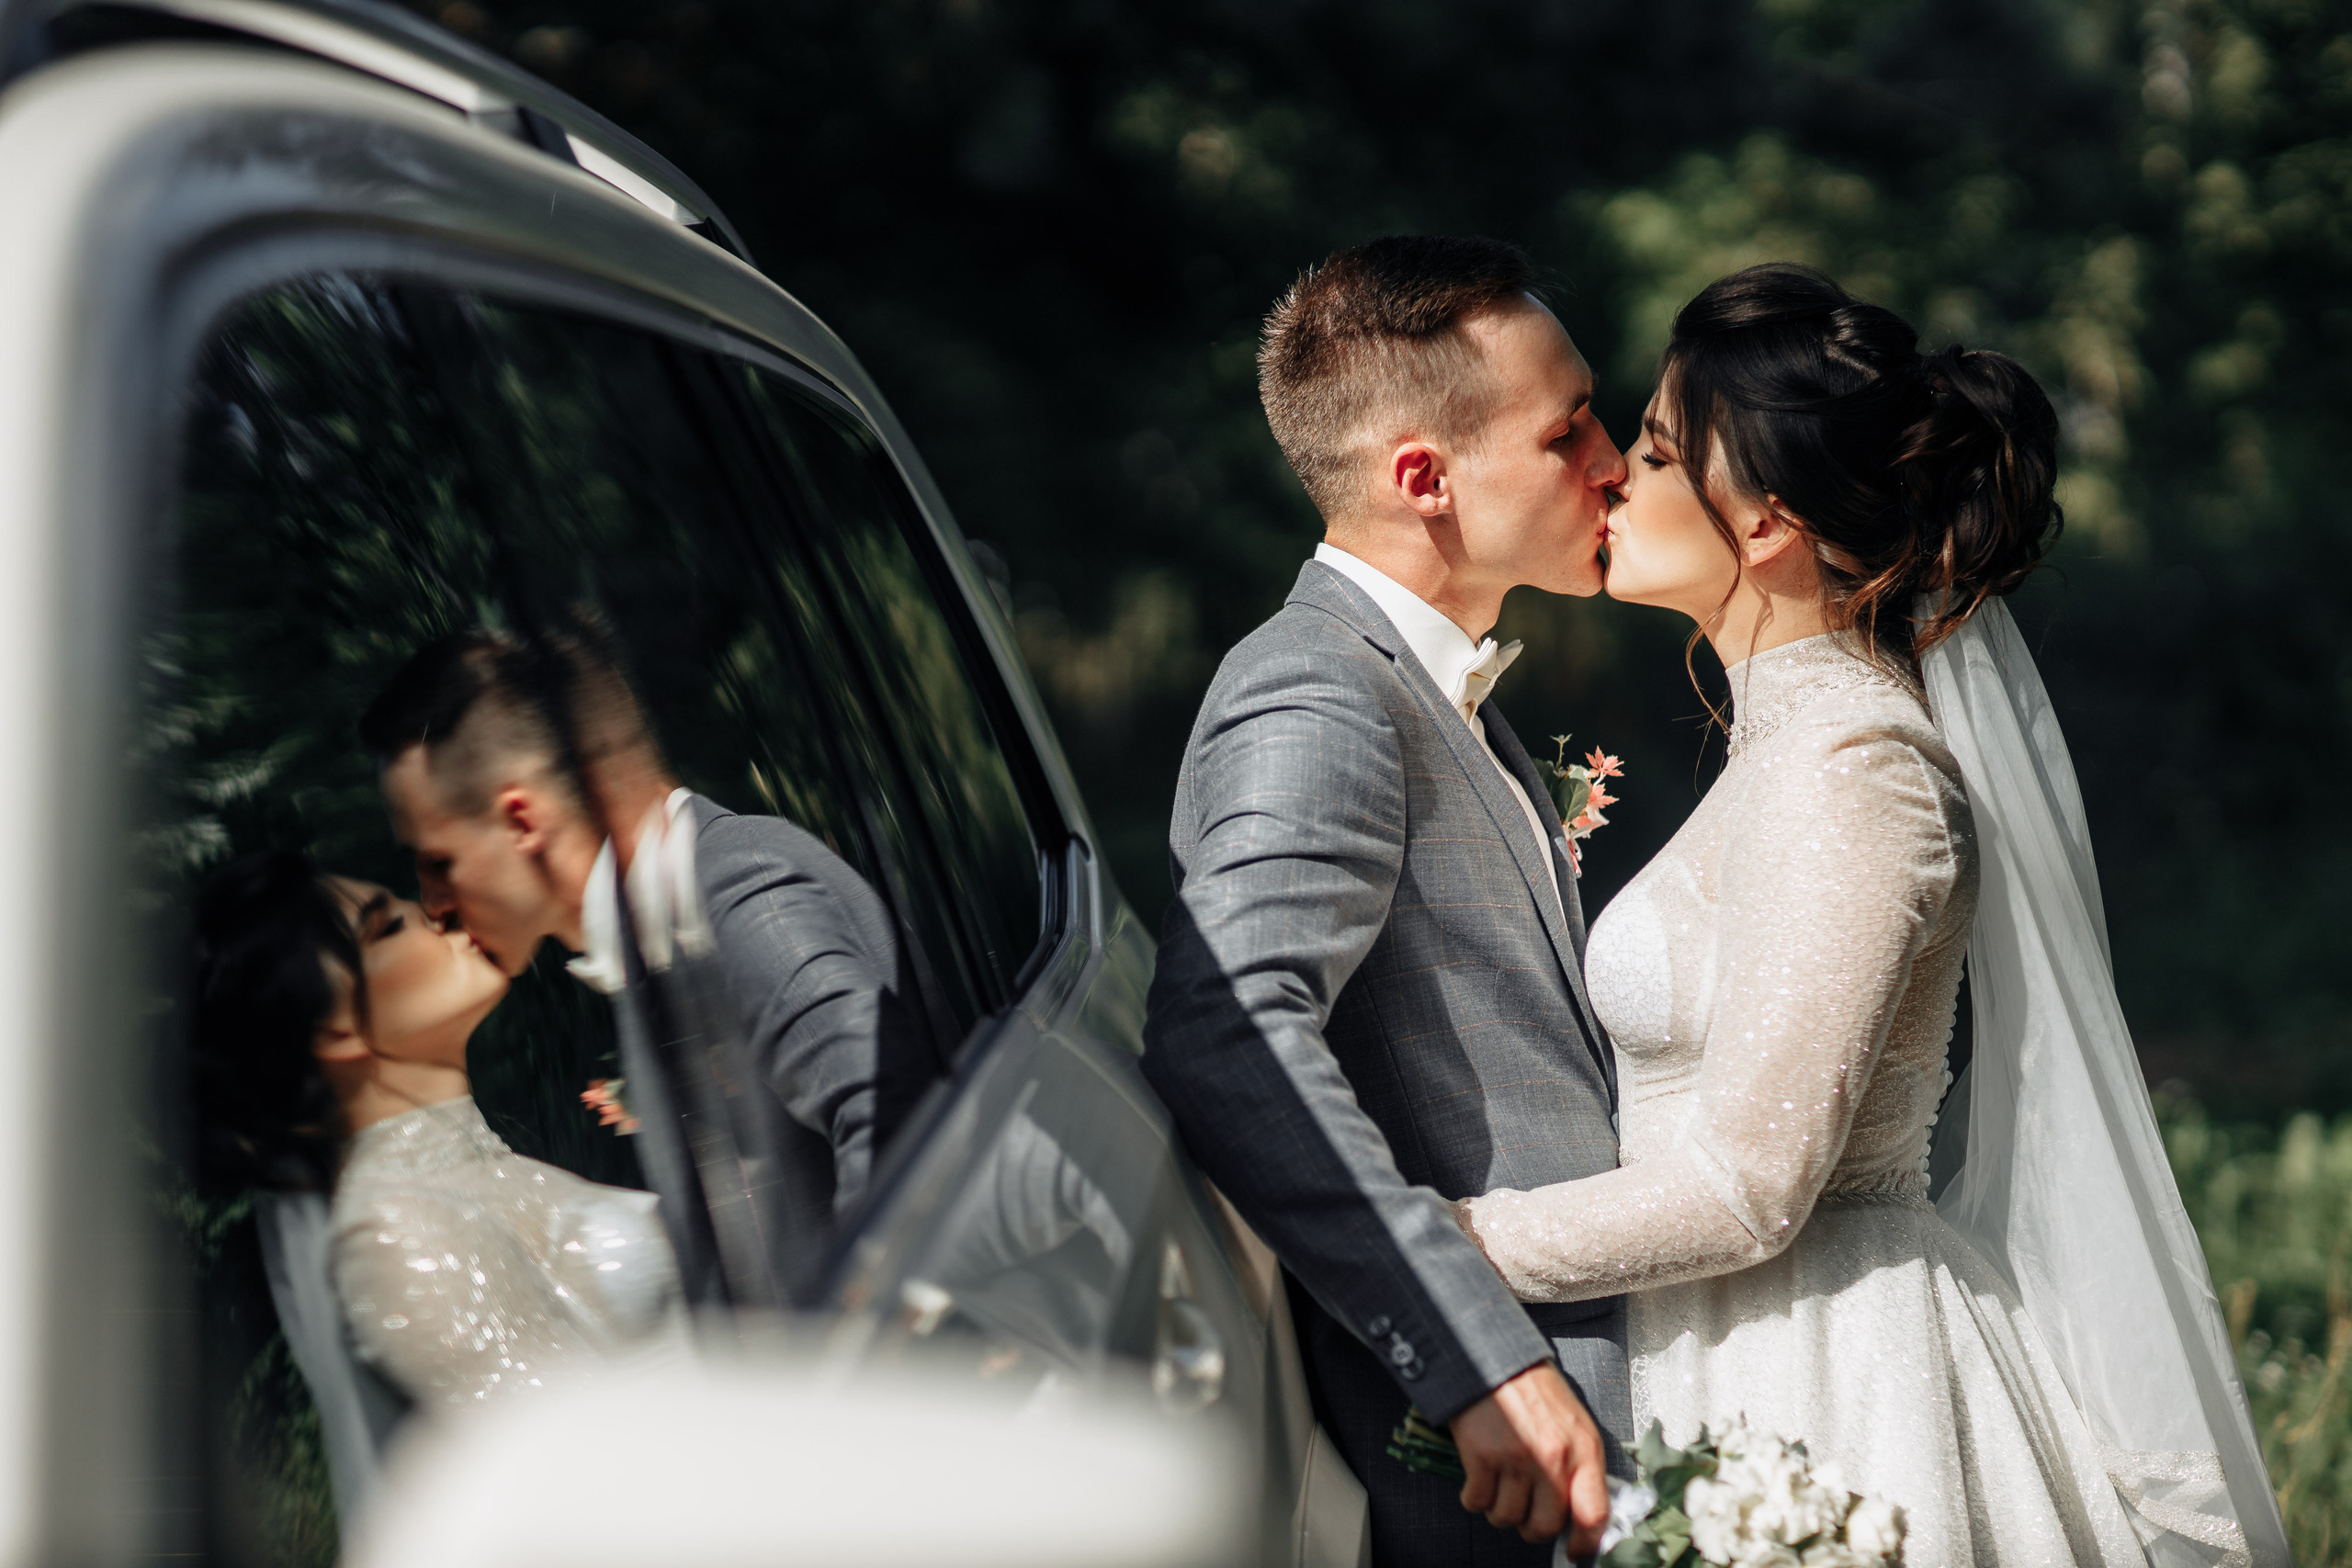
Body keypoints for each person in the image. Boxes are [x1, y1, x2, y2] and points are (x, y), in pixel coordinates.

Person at [1454, 264, 2287, 1565]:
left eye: (1662, 453)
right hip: (1718, 1350)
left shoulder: (1858, 770)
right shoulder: (1787, 746)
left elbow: (1747, 1187)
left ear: (1770, 524)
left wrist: (1441, 1241)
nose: (1616, 472)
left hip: (1823, 1383)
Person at [1142, 236, 1630, 1565]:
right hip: (1508, 1458)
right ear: (1426, 477)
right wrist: (1472, 1358)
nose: (1617, 461)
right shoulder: (1315, 691)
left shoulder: (1425, 686)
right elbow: (1225, 1028)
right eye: (1569, 428)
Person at [357, 624, 931, 1310]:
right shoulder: (663, 923)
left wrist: (851, 1355)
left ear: (521, 821)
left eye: (436, 860)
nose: (433, 902)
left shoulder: (727, 897)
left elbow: (896, 1108)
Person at [188, 850, 689, 1411]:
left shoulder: (481, 1177)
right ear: (335, 1032)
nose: (440, 914)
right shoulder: (397, 1233)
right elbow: (579, 1463)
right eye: (391, 926)